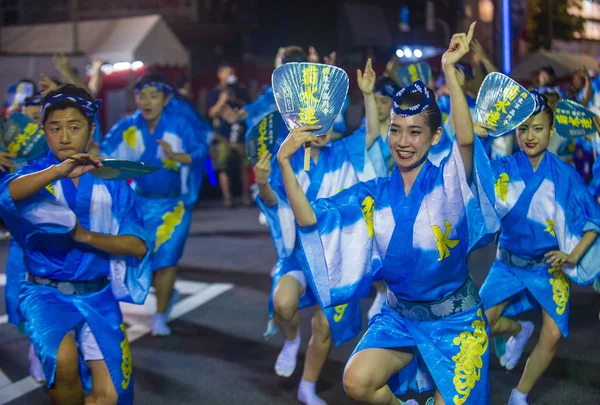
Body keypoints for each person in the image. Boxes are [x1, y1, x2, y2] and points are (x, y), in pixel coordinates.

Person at [279, 23, 499, 405]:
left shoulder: (447, 181)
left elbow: (465, 141)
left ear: (433, 138)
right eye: (396, 130)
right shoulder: (374, 194)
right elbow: (311, 219)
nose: (402, 141)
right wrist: (284, 160)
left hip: (455, 321)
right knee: (356, 381)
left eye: (415, 132)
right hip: (401, 319)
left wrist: (450, 70)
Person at [0, 84, 152, 405]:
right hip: (45, 293)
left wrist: (85, 236)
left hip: (98, 295)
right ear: (44, 130)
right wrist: (56, 172)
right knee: (64, 362)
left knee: (110, 397)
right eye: (55, 128)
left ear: (91, 129)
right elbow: (7, 195)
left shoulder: (112, 180)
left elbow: (138, 246)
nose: (64, 137)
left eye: (74, 126)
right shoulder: (34, 175)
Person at [254, 60, 384, 405]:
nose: (320, 126)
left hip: (336, 257)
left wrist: (368, 95)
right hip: (299, 254)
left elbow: (372, 132)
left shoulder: (345, 151)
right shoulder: (289, 158)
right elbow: (274, 204)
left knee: (325, 328)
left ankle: (307, 386)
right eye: (312, 118)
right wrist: (263, 182)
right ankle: (292, 339)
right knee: (283, 305)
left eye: (326, 118)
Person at [479, 90, 600, 405]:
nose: (530, 136)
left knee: (553, 335)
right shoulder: (502, 167)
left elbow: (592, 221)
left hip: (549, 268)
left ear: (551, 130)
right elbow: (471, 177)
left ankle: (519, 395)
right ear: (514, 131)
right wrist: (476, 137)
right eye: (523, 128)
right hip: (506, 263)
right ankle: (518, 329)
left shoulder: (566, 176)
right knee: (479, 326)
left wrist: (573, 255)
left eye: (538, 128)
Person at [96, 74, 209, 337]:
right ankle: (157, 299)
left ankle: (160, 316)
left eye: (153, 96)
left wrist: (178, 156)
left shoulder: (180, 124)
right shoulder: (127, 126)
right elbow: (105, 152)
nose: (146, 102)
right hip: (139, 204)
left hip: (175, 206)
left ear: (166, 99)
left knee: (167, 261)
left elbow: (201, 149)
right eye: (141, 95)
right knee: (133, 258)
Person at [208, 64, 252, 207]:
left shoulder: (241, 90)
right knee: (224, 166)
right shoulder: (216, 92)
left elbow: (250, 107)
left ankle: (246, 195)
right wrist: (222, 100)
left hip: (241, 133)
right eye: (228, 72)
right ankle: (227, 197)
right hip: (224, 136)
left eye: (233, 72)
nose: (231, 75)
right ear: (220, 75)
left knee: (244, 165)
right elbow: (211, 113)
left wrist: (238, 101)